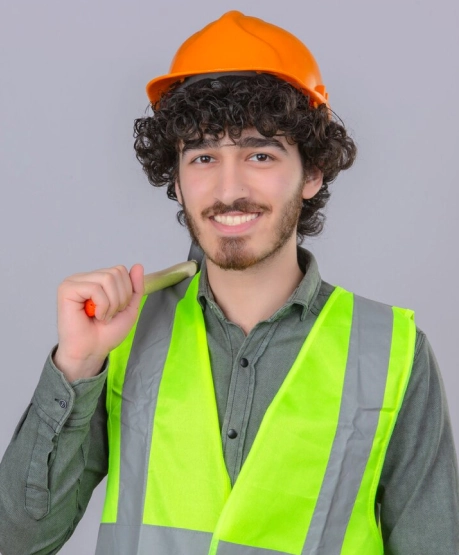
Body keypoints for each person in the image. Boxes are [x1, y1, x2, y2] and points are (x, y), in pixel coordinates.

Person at [0, 10, 458, 555]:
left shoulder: (392, 352)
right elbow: (17, 539)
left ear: (312, 173)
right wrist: (76, 365)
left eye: (260, 154)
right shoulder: (121, 336)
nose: (228, 189)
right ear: (176, 178)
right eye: (203, 157)